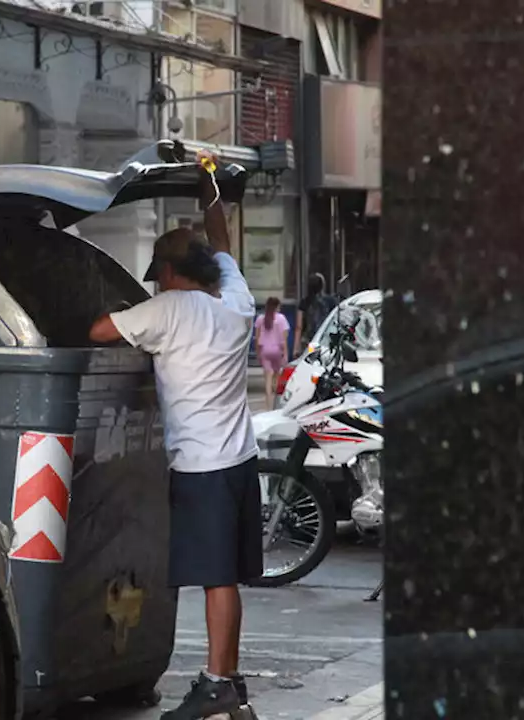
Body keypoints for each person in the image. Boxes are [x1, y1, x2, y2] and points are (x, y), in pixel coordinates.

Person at [88, 149, 259, 720]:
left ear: (165, 272)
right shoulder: (235, 302)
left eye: (158, 271)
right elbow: (223, 241)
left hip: (202, 466)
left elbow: (97, 330)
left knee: (214, 579)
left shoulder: (163, 311)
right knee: (225, 577)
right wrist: (209, 192)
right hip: (239, 461)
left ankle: (217, 683)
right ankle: (227, 682)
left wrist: (117, 306)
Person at [255, 297, 290, 409]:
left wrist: (258, 353)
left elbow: (257, 337)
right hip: (277, 351)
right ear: (277, 307)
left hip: (265, 350)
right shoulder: (281, 319)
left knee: (268, 378)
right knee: (276, 377)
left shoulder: (261, 318)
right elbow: (284, 339)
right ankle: (275, 405)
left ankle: (268, 405)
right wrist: (285, 353)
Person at [293, 272, 336, 358]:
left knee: (312, 361)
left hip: (311, 340)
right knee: (326, 361)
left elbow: (299, 326)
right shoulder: (331, 301)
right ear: (322, 286)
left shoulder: (304, 302)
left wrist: (296, 348)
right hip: (327, 339)